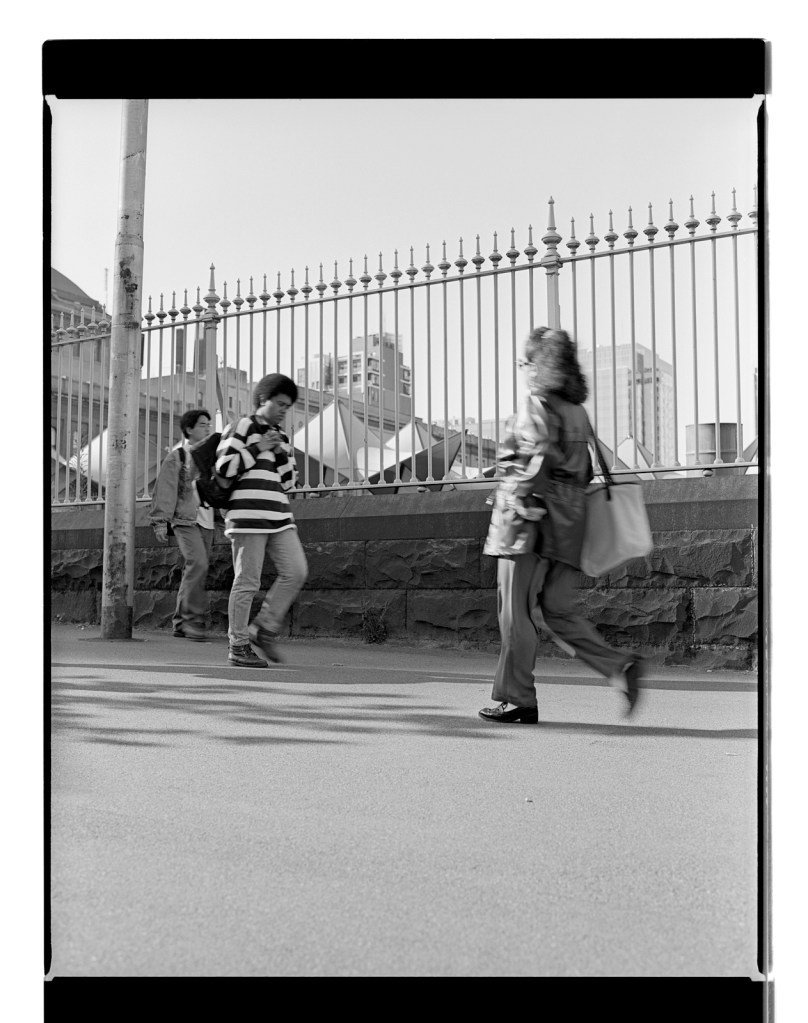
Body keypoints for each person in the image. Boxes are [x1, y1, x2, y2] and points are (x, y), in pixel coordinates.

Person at [479, 326, 645, 724]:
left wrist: (518, 494)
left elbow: (535, 456)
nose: (523, 369)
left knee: (514, 612)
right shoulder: (577, 411)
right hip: (570, 522)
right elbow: (583, 469)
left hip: (527, 524)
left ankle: (517, 698)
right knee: (557, 611)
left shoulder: (536, 402)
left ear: (539, 365)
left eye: (525, 361)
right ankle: (619, 665)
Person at [215, 373, 308, 667]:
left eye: (287, 406)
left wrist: (279, 450)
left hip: (279, 516)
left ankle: (264, 629)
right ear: (262, 400)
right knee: (247, 582)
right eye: (279, 403)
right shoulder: (241, 426)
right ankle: (238, 645)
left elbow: (290, 481)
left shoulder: (282, 436)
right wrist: (258, 448)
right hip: (247, 516)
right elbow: (225, 467)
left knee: (296, 570)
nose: (283, 410)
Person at [150, 408, 216, 642]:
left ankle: (181, 622)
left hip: (207, 520)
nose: (207, 427)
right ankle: (189, 621)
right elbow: (165, 489)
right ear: (189, 429)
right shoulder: (178, 456)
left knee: (197, 568)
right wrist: (160, 521)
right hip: (185, 520)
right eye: (202, 424)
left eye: (209, 424)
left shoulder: (211, 455)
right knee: (197, 564)